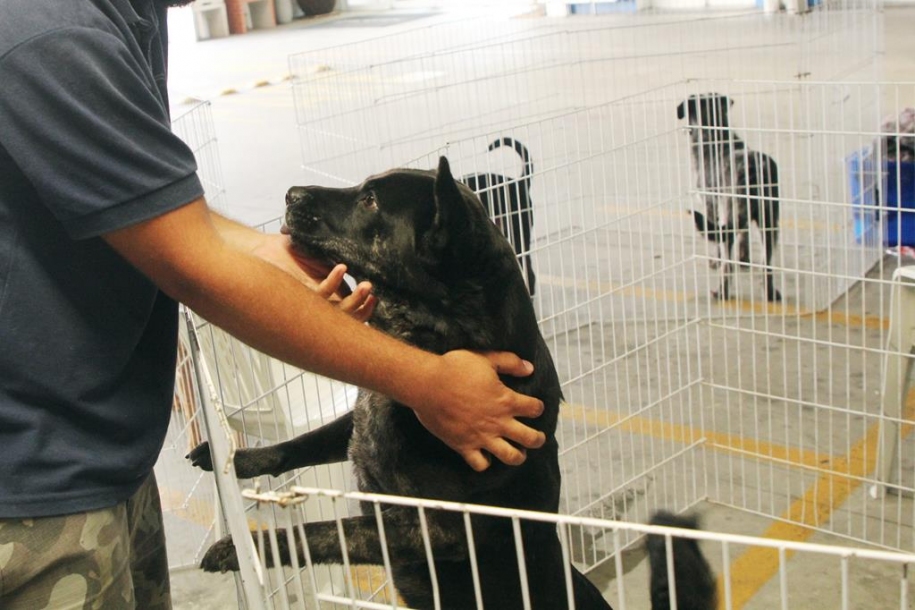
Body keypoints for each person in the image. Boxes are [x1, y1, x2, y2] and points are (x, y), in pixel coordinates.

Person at [0, 1, 546, 607]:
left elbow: (145, 204)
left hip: (96, 449)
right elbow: (194, 265)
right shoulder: (53, 34)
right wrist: (427, 382)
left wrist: (266, 252)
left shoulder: (133, 16)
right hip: (32, 480)